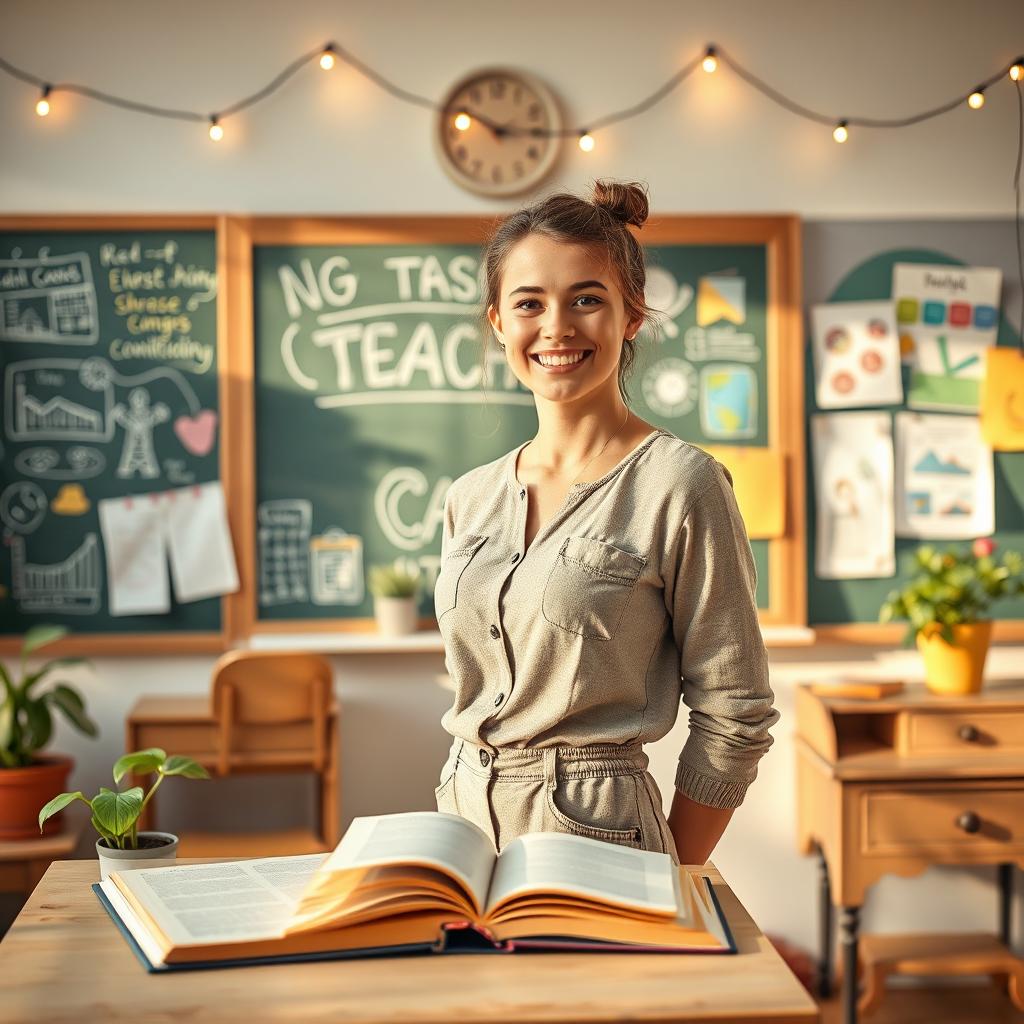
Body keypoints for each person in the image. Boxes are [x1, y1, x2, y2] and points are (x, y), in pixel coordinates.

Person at [433, 180, 779, 865]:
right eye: (529, 303)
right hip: (459, 824)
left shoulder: (682, 483)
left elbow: (735, 711)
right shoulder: (469, 497)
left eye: (586, 299)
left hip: (599, 839)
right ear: (499, 322)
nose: (557, 327)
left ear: (631, 316)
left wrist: (675, 870)